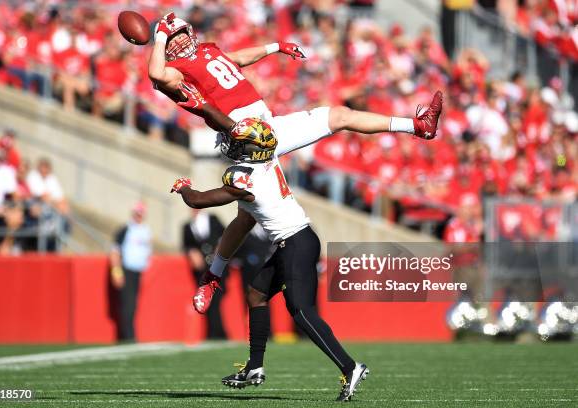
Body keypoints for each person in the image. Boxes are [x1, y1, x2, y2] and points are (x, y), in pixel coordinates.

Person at [147, 11, 444, 314]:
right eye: (173, 37)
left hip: (269, 128)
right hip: (246, 139)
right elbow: (156, 74)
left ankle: (418, 126)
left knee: (340, 116)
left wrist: (276, 47)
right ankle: (212, 276)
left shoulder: (208, 50)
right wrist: (158, 35)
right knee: (246, 218)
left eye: (181, 33)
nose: (181, 39)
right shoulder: (174, 69)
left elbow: (236, 58)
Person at [171, 118, 369, 402]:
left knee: (301, 311)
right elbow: (242, 222)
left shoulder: (244, 177)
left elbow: (199, 201)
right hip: (298, 240)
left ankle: (350, 367)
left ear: (252, 148)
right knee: (256, 294)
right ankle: (254, 366)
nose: (234, 146)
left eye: (241, 143)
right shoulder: (265, 164)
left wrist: (184, 188)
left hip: (295, 244)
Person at [110, 202, 152, 342]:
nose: (138, 216)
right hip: (126, 269)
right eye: (137, 213)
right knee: (127, 304)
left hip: (138, 271)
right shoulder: (125, 229)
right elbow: (115, 252)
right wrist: (117, 272)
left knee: (133, 304)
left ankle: (129, 334)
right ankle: (127, 335)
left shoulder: (145, 230)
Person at [182, 209, 227, 339]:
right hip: (201, 270)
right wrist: (191, 252)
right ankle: (213, 333)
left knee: (216, 299)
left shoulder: (213, 218)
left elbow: (225, 234)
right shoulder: (187, 226)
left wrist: (221, 247)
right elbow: (186, 245)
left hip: (217, 266)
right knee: (206, 300)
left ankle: (218, 333)